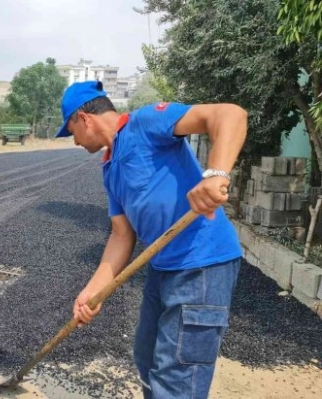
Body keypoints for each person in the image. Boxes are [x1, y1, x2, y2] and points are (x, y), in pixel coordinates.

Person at [55, 81, 247, 399]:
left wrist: (216, 174)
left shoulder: (145, 122)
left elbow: (230, 114)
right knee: (146, 359)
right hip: (163, 269)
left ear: (84, 119)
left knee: (177, 378)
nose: (74, 140)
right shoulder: (108, 168)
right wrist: (93, 290)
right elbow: (121, 234)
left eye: (71, 130)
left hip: (201, 264)